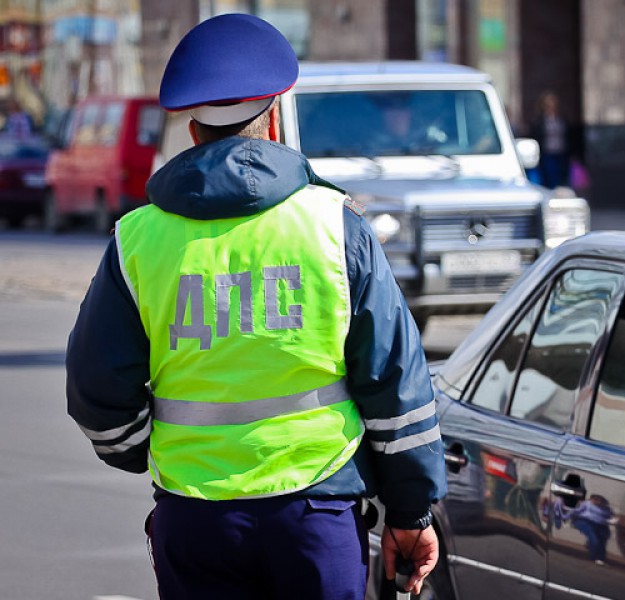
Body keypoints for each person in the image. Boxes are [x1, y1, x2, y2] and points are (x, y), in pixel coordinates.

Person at [66, 13, 446, 600]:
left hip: (194, 519)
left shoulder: (136, 240)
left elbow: (95, 390)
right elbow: (396, 384)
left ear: (192, 135)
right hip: (317, 515)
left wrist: (143, 450)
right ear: (272, 123)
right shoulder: (335, 227)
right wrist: (411, 510)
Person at [529, 90, 570, 189]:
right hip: (547, 152)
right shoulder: (540, 120)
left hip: (560, 151)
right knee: (549, 176)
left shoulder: (561, 118)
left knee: (560, 176)